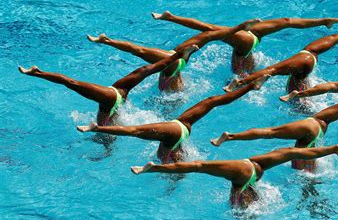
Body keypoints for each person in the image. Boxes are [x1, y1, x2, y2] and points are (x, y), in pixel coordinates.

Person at [211, 83, 338, 171]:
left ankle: (232, 136)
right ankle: (232, 136)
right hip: (314, 127)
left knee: (271, 134)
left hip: (314, 124)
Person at [77, 76, 270, 163]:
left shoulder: (172, 154)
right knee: (212, 101)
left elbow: (133, 131)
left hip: (178, 132)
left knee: (212, 102)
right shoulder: (172, 155)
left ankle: (251, 87)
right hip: (178, 130)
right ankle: (251, 87)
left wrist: (98, 129)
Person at [130, 144, 338, 209]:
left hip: (252, 166)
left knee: (290, 151)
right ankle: (154, 168)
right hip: (247, 169)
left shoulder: (246, 190)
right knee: (199, 166)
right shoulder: (241, 192)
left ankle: (335, 148)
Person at [18, 45, 198, 126]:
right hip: (116, 97)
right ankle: (37, 73)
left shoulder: (110, 104)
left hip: (114, 97)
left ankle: (37, 73)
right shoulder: (178, 68)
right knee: (149, 69)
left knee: (148, 69)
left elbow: (71, 82)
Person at [223, 17, 338, 107]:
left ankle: (239, 82)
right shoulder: (311, 50)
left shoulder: (249, 37)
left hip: (302, 65)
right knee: (336, 39)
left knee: (298, 104)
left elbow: (270, 70)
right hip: (309, 59)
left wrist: (239, 82)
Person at [87, 19, 261, 92]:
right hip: (177, 64)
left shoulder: (170, 71)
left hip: (175, 64)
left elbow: (137, 50)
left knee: (208, 34)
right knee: (208, 34)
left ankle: (106, 41)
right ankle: (106, 41)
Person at [151, 11, 338, 76]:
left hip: (247, 46)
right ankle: (171, 19)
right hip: (249, 45)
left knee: (211, 31)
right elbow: (290, 22)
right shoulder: (250, 41)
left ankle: (171, 20)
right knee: (212, 31)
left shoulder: (246, 43)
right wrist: (322, 21)